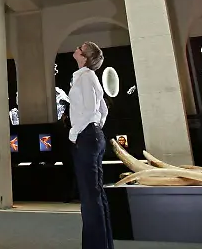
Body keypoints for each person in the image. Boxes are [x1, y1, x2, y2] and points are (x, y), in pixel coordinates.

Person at [69, 41, 114, 249]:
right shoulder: (87, 77)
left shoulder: (86, 77)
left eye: (81, 47)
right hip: (93, 135)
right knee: (95, 193)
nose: (77, 48)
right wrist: (96, 127)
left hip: (87, 137)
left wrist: (76, 133)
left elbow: (89, 110)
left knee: (90, 197)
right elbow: (102, 110)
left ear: (85, 56)